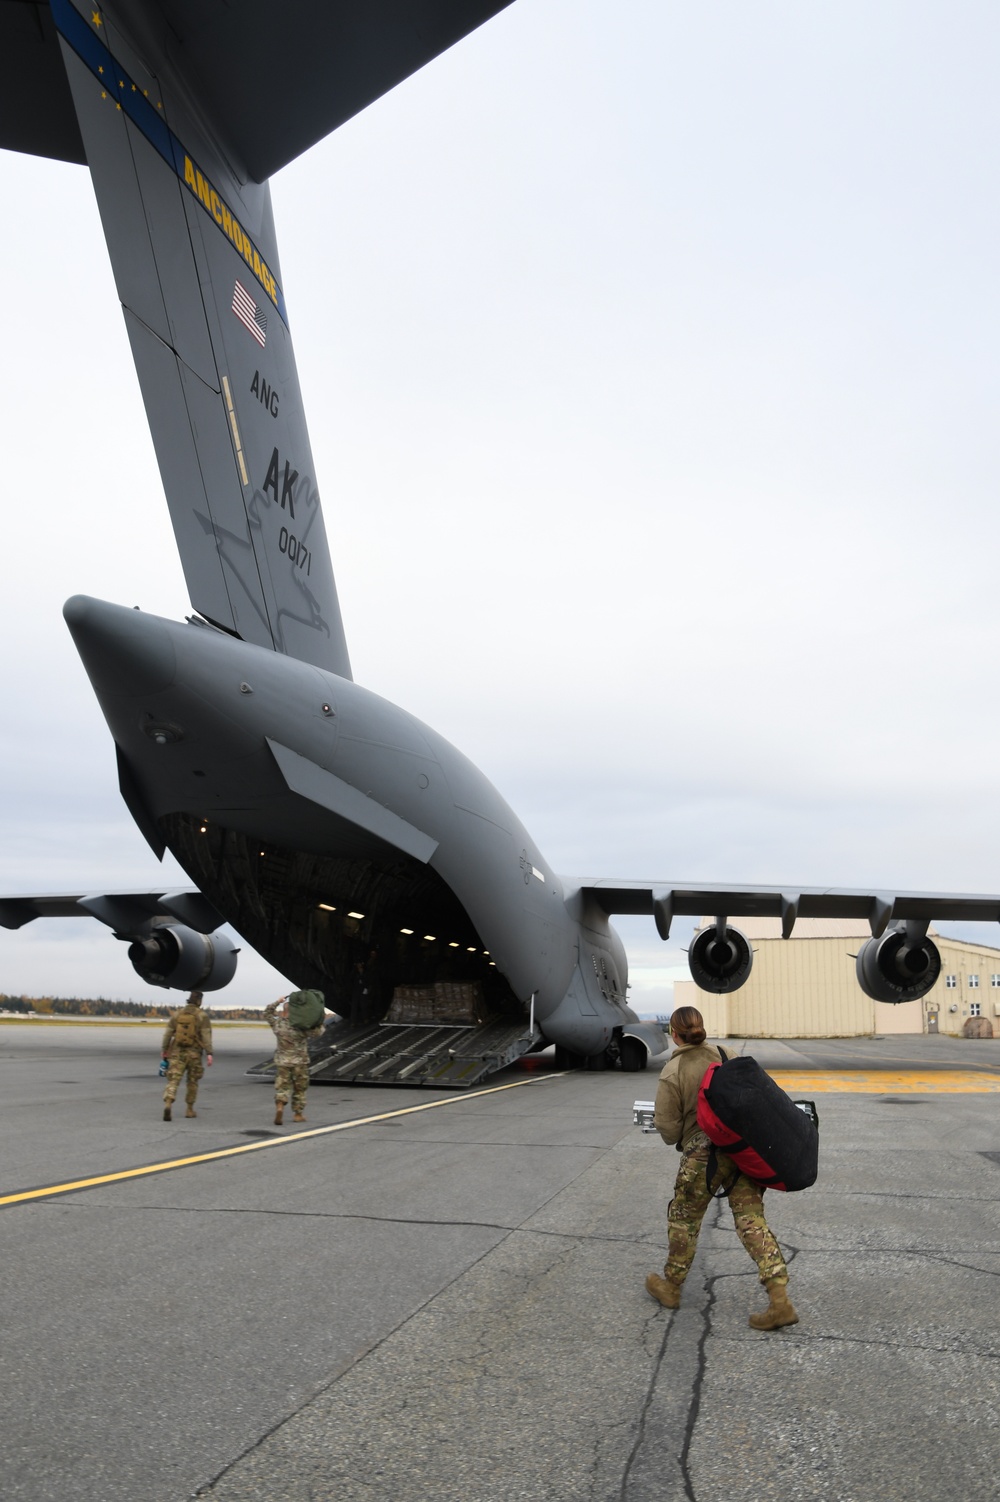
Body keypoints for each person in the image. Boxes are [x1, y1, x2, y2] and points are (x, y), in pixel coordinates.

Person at [645, 1005, 798, 1331]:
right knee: (751, 1220)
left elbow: (669, 1130)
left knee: (684, 1219)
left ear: (673, 1034)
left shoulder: (673, 1072)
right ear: (701, 1028)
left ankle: (671, 1286)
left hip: (703, 1157)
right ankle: (779, 1300)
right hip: (744, 1150)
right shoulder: (726, 1053)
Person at [264, 990, 326, 1125]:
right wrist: (319, 1019)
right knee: (300, 1088)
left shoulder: (277, 1025)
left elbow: (267, 1013)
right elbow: (318, 1033)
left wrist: (278, 1001)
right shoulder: (301, 1027)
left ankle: (280, 1106)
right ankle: (298, 1114)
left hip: (282, 1062)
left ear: (283, 1011)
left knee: (282, 1087)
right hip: (300, 1062)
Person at [161, 990, 213, 1120]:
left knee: (173, 1079)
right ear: (199, 1001)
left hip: (177, 1053)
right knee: (192, 1082)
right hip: (194, 1054)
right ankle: (189, 1110)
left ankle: (168, 1102)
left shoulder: (178, 1014)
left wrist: (164, 1049)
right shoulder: (202, 1016)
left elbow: (168, 1033)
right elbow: (206, 1036)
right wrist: (209, 1053)